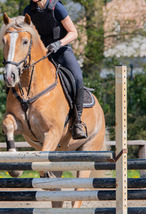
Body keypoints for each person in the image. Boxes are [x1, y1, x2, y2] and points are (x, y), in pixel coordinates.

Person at [23, 0, 87, 139]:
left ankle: (78, 121)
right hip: (41, 54)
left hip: (61, 51)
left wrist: (59, 43)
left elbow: (73, 32)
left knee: (77, 78)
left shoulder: (56, 7)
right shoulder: (28, 11)